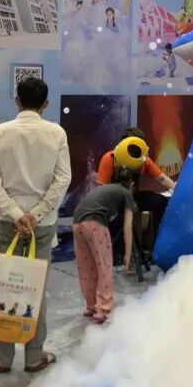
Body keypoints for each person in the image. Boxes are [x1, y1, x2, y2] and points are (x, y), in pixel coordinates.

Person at [0, 76, 71, 374]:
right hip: (41, 226)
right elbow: (63, 179)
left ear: (17, 101)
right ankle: (34, 356)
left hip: (8, 224)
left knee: (4, 286)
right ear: (46, 103)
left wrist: (15, 213)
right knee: (36, 288)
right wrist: (36, 213)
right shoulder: (56, 133)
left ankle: (2, 358)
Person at [97, 127, 175, 269]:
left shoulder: (144, 160)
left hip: (131, 197)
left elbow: (163, 179)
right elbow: (101, 191)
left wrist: (180, 191)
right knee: (113, 216)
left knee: (161, 202)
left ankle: (157, 248)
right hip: (112, 200)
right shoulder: (110, 158)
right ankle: (116, 253)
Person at [72, 168, 137, 324]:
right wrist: (128, 255)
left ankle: (91, 306)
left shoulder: (106, 189)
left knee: (86, 267)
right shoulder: (126, 193)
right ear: (132, 185)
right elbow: (128, 226)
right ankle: (103, 308)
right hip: (96, 224)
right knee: (104, 267)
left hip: (77, 222)